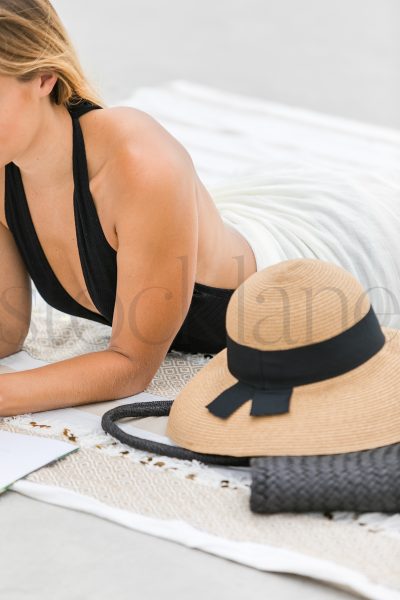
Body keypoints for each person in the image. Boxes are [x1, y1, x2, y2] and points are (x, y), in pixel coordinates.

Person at [0, 0, 399, 417]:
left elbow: (130, 366)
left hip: (308, 274)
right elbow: (7, 333)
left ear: (44, 77)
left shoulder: (137, 160)